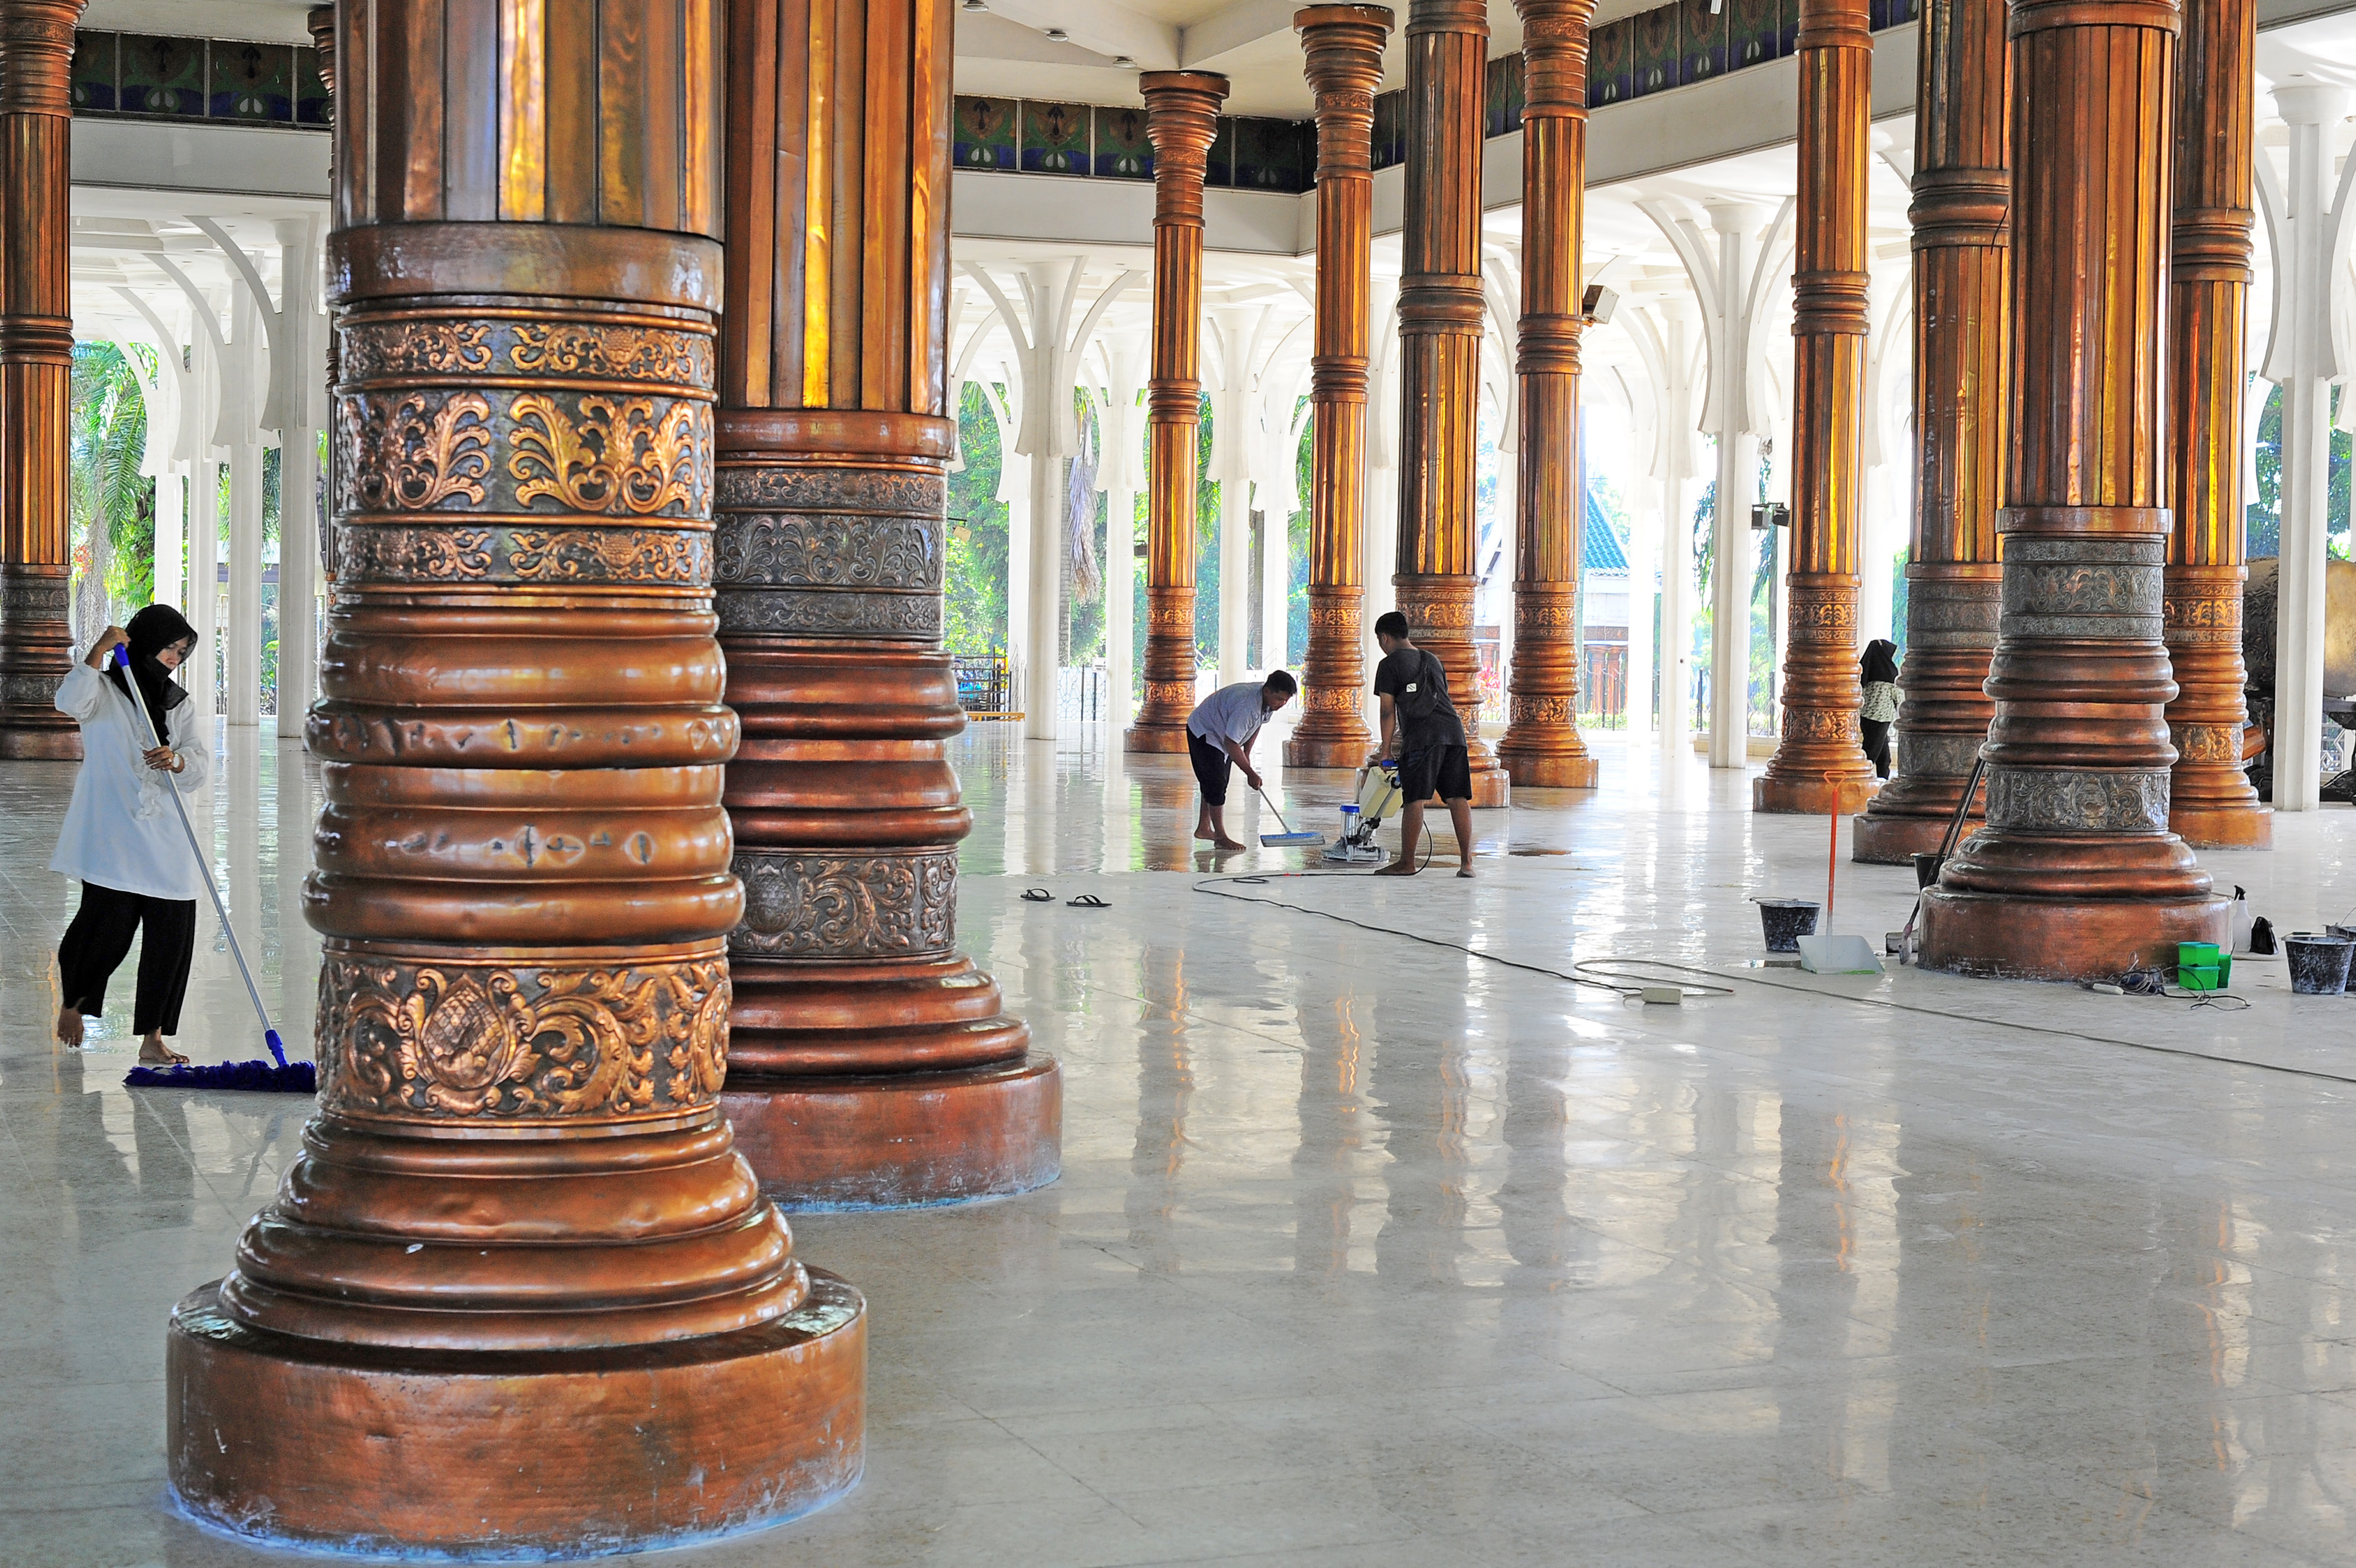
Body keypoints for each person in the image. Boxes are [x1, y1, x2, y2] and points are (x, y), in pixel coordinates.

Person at [50, 606, 210, 1066]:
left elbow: (197, 765)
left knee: (171, 938)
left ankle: (153, 1039)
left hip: (167, 838)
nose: (175, 657)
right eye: (169, 647)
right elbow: (67, 702)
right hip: (114, 834)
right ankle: (75, 1003)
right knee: (105, 929)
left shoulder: (179, 705)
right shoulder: (100, 692)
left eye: (183, 651)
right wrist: (98, 651)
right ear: (142, 643)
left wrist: (175, 762)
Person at [1369, 610, 1474, 878]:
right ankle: (1467, 864)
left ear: (1384, 638)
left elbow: (1386, 711)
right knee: (1457, 797)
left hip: (1422, 738)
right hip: (1454, 734)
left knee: (1415, 798)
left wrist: (1385, 750)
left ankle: (1407, 862)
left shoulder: (1389, 664)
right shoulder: (1432, 659)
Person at [1187, 669, 1298, 851]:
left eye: (1286, 701)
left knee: (1218, 782)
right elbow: (1231, 743)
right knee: (1215, 782)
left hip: (1223, 731)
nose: (1282, 704)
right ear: (1268, 691)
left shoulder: (1268, 703)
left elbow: (1256, 726)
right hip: (1205, 730)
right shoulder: (1248, 706)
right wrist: (1250, 773)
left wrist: (1246, 755)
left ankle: (1204, 828)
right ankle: (1220, 837)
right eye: (1280, 699)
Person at [1859, 638, 1900, 780]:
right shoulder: (1890, 672)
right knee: (1871, 753)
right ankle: (1860, 781)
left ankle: (1883, 780)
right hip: (1881, 719)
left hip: (1865, 717)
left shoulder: (1865, 669)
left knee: (1884, 755)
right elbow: (1899, 696)